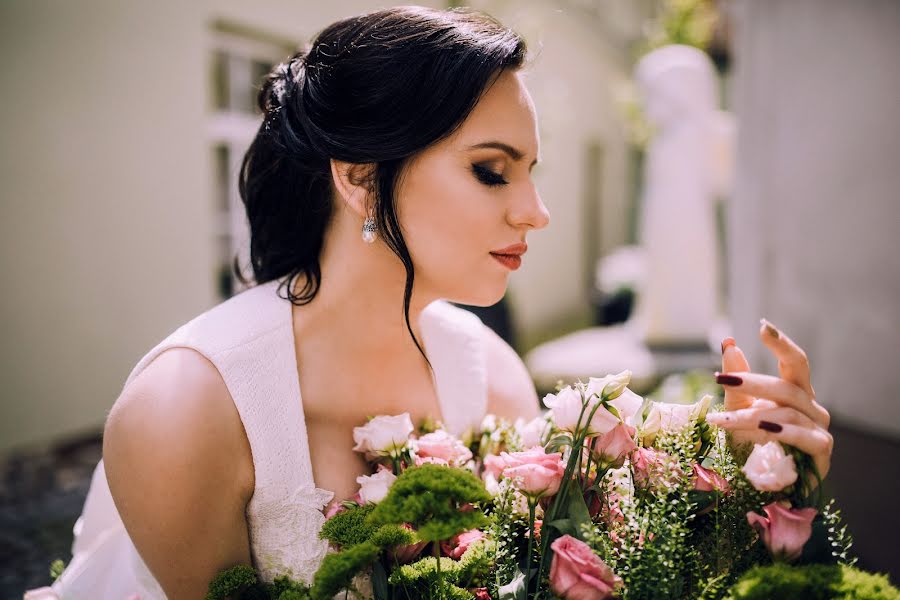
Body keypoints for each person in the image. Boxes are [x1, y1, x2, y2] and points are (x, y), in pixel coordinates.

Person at [25, 5, 833, 599]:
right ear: (359, 176)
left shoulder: (493, 379)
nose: (536, 212)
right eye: (492, 169)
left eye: (532, 171)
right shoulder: (187, 408)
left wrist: (745, 475)